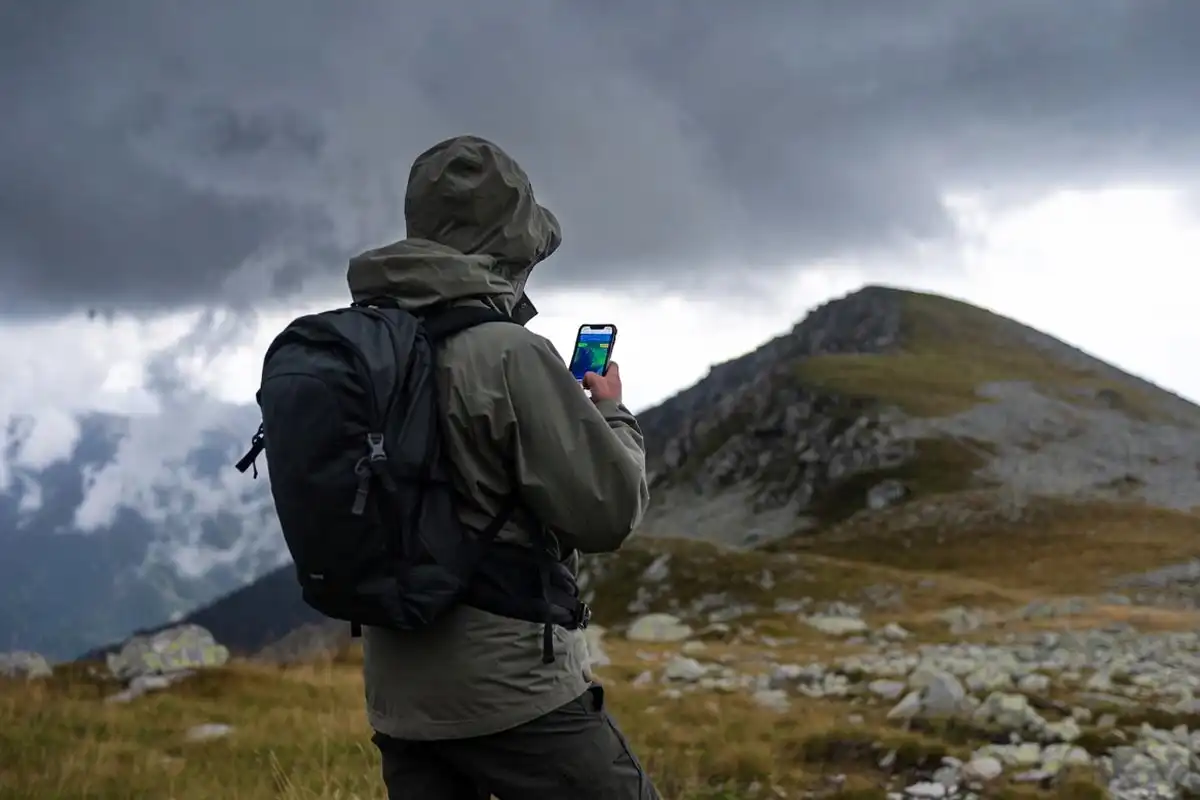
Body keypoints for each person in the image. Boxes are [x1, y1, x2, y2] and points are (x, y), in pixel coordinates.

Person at [347, 135, 660, 799]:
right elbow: (608, 510)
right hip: (512, 694)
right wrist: (611, 415)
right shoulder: (507, 353)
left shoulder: (366, 349)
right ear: (509, 245)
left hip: (397, 698)